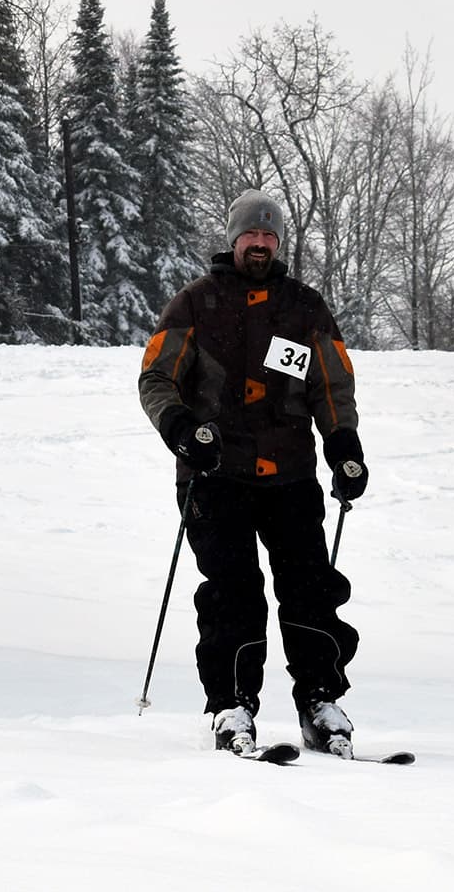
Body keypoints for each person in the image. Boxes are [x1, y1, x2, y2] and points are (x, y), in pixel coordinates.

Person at [138, 189, 369, 759]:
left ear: (278, 242)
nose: (260, 244)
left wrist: (343, 444)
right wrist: (181, 429)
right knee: (233, 593)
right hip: (215, 476)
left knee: (310, 590)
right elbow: (155, 379)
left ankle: (320, 701)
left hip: (290, 477)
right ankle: (231, 707)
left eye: (269, 236)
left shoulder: (305, 308)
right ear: (233, 240)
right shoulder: (195, 304)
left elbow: (330, 385)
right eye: (250, 235)